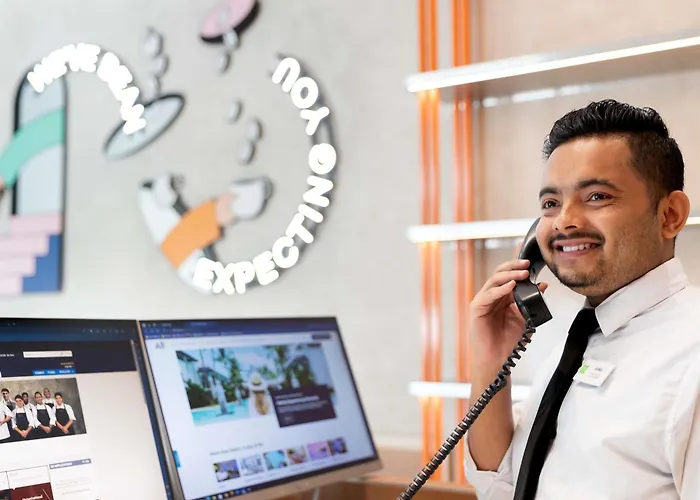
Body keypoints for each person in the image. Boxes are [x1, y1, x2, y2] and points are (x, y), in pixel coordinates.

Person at [464, 99, 700, 499]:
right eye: (551, 204)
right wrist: (491, 359)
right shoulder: (578, 341)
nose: (564, 221)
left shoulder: (691, 358)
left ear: (669, 215)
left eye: (596, 197)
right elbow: (499, 483)